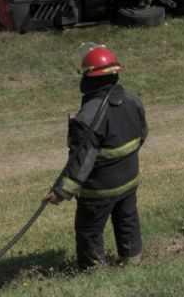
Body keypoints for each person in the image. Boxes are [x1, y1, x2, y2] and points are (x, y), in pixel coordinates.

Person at [45, 44, 148, 269]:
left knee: (89, 230)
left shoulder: (88, 117)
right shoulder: (134, 102)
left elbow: (82, 161)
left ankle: (94, 273)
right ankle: (133, 264)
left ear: (90, 79)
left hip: (100, 190)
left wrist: (61, 191)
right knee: (127, 220)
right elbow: (142, 136)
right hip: (129, 180)